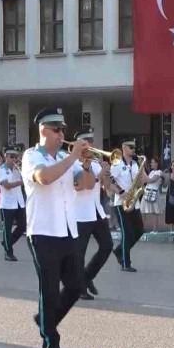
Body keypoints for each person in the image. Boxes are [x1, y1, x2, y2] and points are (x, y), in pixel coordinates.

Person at [22, 108, 88, 348]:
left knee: (75, 286)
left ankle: (44, 320)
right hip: (42, 231)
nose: (63, 134)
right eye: (57, 129)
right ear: (44, 131)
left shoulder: (64, 157)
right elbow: (44, 178)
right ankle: (50, 340)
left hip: (67, 230)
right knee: (49, 289)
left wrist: (88, 166)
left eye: (63, 130)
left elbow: (85, 185)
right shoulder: (31, 156)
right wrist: (72, 158)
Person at [71, 127, 113, 301]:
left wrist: (106, 175)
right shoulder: (72, 164)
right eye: (86, 142)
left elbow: (106, 187)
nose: (90, 146)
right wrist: (96, 176)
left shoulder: (95, 163)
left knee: (107, 245)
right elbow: (81, 187)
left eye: (91, 142)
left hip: (96, 211)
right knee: (80, 252)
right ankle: (79, 287)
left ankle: (87, 277)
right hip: (80, 213)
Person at [110, 141, 148, 272]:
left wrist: (143, 177)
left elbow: (141, 181)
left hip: (134, 202)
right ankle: (126, 264)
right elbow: (109, 181)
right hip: (122, 203)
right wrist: (120, 192)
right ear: (123, 148)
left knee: (139, 231)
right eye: (131, 148)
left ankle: (120, 250)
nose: (133, 150)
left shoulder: (135, 164)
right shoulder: (117, 163)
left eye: (134, 148)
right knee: (127, 233)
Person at [0, 147, 26, 262]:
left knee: (23, 226)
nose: (14, 159)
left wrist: (22, 167)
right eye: (11, 157)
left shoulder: (18, 169)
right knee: (7, 228)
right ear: (6, 156)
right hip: (8, 203)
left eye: (15, 157)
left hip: (19, 202)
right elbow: (6, 185)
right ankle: (8, 252)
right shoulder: (2, 170)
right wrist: (20, 182)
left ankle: (7, 242)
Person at [141, 157, 163, 232]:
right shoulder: (151, 172)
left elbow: (150, 180)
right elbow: (145, 181)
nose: (151, 164)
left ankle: (155, 229)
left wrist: (143, 171)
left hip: (154, 193)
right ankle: (143, 228)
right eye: (151, 162)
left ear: (157, 163)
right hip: (147, 192)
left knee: (154, 212)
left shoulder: (159, 172)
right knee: (142, 210)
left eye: (153, 162)